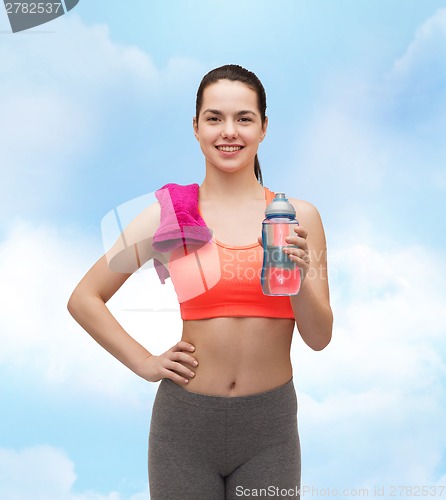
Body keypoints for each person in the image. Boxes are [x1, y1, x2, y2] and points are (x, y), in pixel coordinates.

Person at [67, 64, 333, 500]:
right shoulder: (169, 214)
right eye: (214, 118)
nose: (229, 131)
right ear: (196, 127)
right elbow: (84, 298)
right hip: (184, 428)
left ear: (264, 127)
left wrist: (300, 279)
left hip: (270, 429)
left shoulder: (299, 218)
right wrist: (144, 362)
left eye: (244, 118)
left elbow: (319, 338)